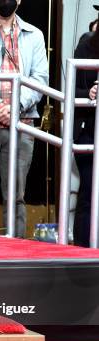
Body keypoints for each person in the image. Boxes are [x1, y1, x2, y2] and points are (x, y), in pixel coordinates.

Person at [0, 0, 49, 238]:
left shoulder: (35, 35)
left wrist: (14, 106)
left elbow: (40, 79)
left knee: (16, 195)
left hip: (21, 123)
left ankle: (17, 250)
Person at [73, 25, 99, 247]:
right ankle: (82, 251)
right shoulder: (86, 45)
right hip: (88, 131)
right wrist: (89, 92)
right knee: (89, 191)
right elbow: (72, 89)